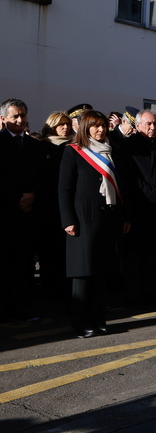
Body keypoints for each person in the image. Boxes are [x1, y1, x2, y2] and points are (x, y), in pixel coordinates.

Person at [58, 110, 130, 337]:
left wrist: (125, 216)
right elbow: (64, 189)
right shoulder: (73, 152)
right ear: (85, 128)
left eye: (103, 126)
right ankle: (81, 323)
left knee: (101, 272)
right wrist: (68, 220)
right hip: (83, 219)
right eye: (95, 126)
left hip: (108, 219)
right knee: (83, 273)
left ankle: (98, 319)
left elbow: (122, 188)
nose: (100, 130)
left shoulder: (112, 151)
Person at [123, 110, 156, 307]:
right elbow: (132, 179)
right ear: (138, 126)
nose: (153, 128)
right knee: (136, 256)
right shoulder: (129, 147)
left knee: (154, 255)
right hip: (139, 209)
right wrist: (155, 195)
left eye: (155, 124)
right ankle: (134, 296)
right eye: (148, 124)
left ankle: (151, 292)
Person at [0, 98, 45, 322]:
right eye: (15, 116)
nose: (20, 120)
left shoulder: (35, 146)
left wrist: (32, 194)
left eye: (23, 116)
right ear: (3, 119)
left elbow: (42, 176)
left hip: (28, 213)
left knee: (22, 262)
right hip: (5, 212)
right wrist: (17, 198)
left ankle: (19, 308)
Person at [38, 112, 74, 295]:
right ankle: (48, 288)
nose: (65, 128)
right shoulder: (42, 147)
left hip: (66, 206)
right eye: (61, 124)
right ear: (52, 126)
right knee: (48, 250)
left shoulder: (73, 147)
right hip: (46, 205)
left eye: (68, 124)